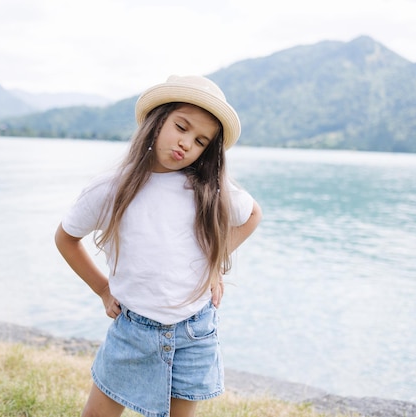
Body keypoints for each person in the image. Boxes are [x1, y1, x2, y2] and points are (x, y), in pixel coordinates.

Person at [55, 75, 262, 417]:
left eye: (199, 141)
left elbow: (252, 215)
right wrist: (103, 289)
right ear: (157, 121)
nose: (186, 143)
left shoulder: (206, 189)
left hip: (194, 330)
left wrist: (213, 263)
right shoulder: (111, 188)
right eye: (181, 126)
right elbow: (66, 238)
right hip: (133, 330)